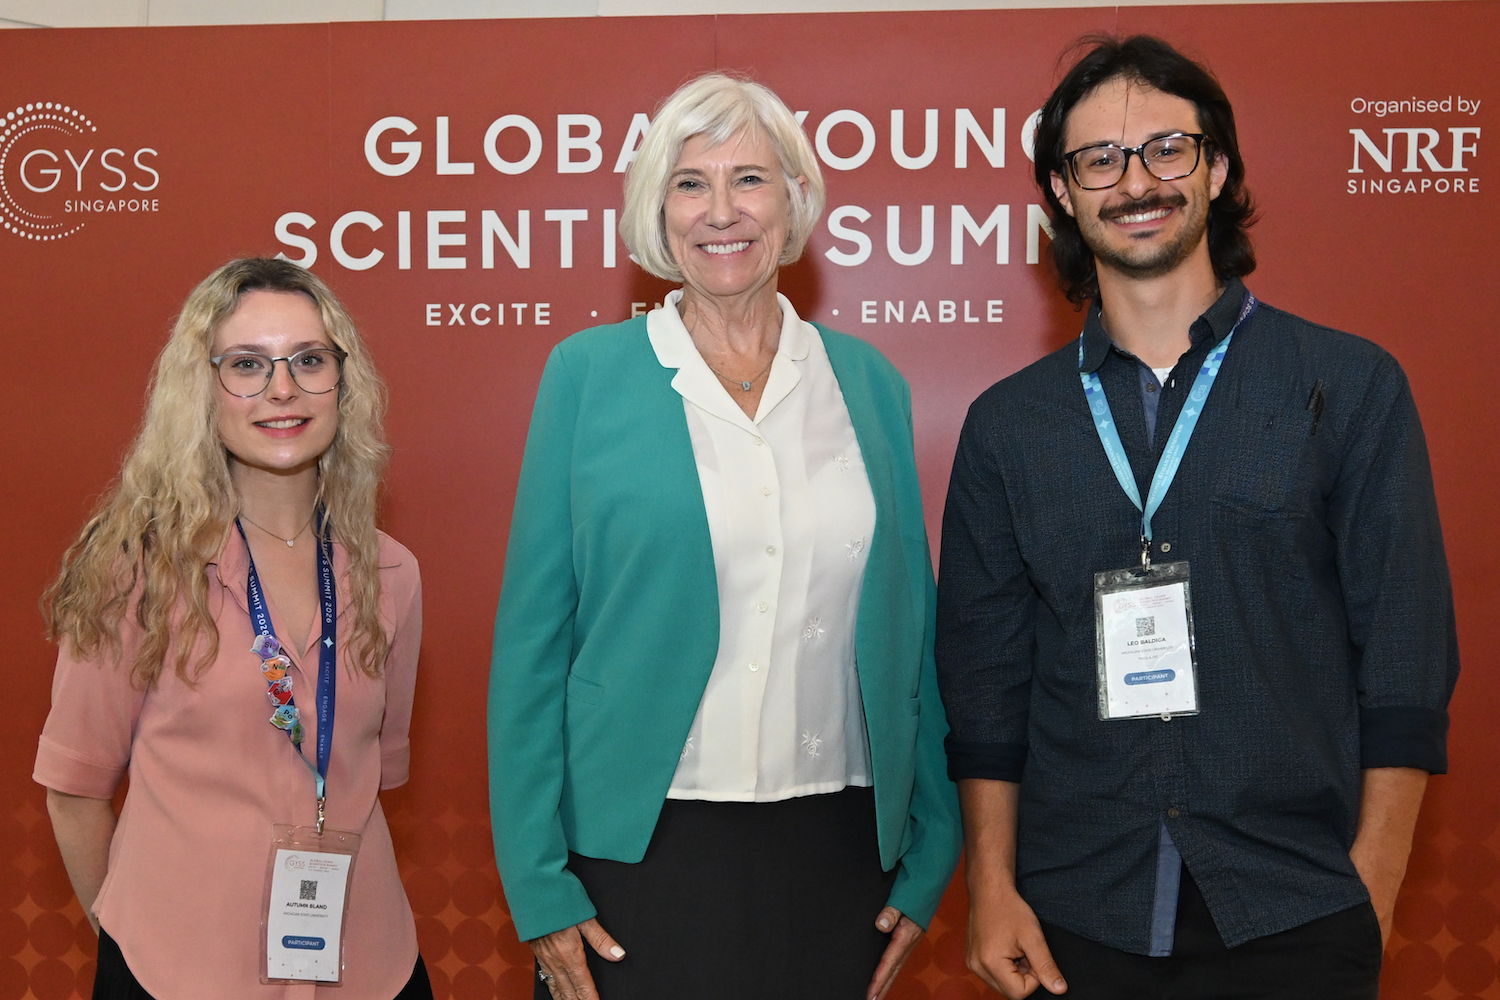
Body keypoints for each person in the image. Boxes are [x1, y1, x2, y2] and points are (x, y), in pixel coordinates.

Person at [935, 35, 1458, 1000]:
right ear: (1062, 191)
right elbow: (985, 688)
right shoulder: (1008, 426)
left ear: (1216, 167)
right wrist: (992, 888)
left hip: (1297, 907)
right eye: (1100, 160)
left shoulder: (1346, 386)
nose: (1136, 182)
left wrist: (1372, 888)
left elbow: (1405, 659)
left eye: (1167, 149)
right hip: (1072, 919)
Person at [488, 72, 961, 1000]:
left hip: (840, 855)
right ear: (655, 210)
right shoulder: (586, 375)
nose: (721, 210)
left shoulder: (868, 385)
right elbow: (532, 647)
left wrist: (934, 847)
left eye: (749, 178)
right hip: (632, 854)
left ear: (793, 200)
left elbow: (915, 639)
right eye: (689, 182)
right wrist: (537, 884)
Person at [36, 258, 429, 1000]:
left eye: (309, 360)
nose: (282, 390)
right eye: (247, 364)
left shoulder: (394, 574)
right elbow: (74, 792)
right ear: (203, 389)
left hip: (367, 970)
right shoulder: (138, 566)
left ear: (342, 383)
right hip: (176, 972)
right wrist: (135, 941)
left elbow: (377, 775)